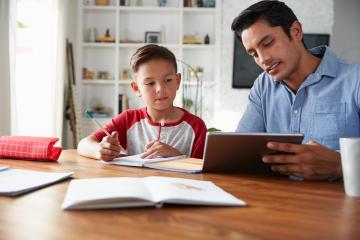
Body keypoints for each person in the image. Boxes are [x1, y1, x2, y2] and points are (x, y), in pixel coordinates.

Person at [231, 0, 360, 180]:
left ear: (296, 31)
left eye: (267, 43)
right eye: (253, 54)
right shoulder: (262, 86)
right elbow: (241, 152)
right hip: (277, 202)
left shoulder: (355, 80)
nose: (263, 59)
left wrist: (340, 166)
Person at [77, 44, 207, 161]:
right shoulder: (128, 120)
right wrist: (100, 150)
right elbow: (83, 144)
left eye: (168, 80)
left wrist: (177, 156)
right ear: (137, 88)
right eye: (150, 83)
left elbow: (204, 172)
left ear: (177, 81)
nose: (160, 89)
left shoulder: (196, 126)